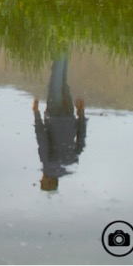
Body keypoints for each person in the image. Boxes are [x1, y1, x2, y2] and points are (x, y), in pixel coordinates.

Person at [32, 51, 87, 191]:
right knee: (56, 79)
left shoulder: (70, 162)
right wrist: (36, 114)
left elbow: (81, 141)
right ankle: (61, 43)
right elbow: (42, 139)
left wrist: (81, 113)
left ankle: (65, 44)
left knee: (62, 79)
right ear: (48, 181)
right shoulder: (47, 163)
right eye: (42, 180)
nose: (41, 177)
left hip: (69, 116)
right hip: (54, 115)